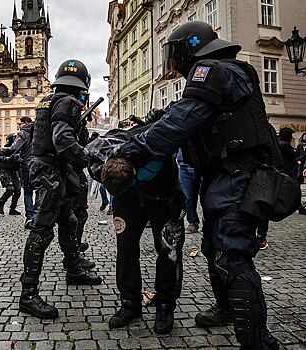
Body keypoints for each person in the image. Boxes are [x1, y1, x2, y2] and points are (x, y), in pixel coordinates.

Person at [116, 21, 280, 348]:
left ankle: (259, 344)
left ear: (189, 49)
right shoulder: (225, 71)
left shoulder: (212, 69)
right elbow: (183, 114)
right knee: (213, 248)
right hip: (225, 174)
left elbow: (182, 121)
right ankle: (226, 308)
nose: (173, 64)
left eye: (174, 55)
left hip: (236, 174)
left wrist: (129, 150)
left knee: (231, 256)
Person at [19, 59, 103, 320]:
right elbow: (62, 140)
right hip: (51, 172)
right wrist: (88, 158)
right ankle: (28, 295)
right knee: (42, 231)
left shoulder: (49, 99)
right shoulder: (70, 102)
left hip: (51, 169)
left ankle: (74, 268)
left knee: (69, 219)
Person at [87, 128, 186, 334]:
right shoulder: (97, 162)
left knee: (170, 252)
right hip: (128, 202)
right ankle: (130, 304)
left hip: (163, 197)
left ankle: (166, 305)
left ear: (133, 171)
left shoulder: (153, 146)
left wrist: (177, 197)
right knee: (126, 250)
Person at [3, 117, 35, 227]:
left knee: (28, 192)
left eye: (20, 124)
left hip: (27, 166)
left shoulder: (23, 133)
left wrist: (0, 150)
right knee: (41, 191)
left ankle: (30, 217)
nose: (19, 126)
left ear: (26, 123)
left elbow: (13, 148)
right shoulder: (39, 131)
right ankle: (40, 217)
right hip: (40, 165)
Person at [177, 149, 201, 233]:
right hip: (183, 166)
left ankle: (209, 222)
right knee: (187, 196)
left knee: (205, 197)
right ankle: (193, 222)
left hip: (200, 166)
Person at [0, 133, 22, 216]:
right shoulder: (5, 150)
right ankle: (1, 203)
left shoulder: (18, 149)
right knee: (10, 190)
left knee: (18, 191)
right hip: (5, 171)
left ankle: (12, 209)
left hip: (14, 172)